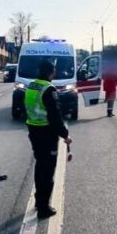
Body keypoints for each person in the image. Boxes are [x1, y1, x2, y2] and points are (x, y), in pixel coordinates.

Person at [25, 60, 72, 219]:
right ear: (51, 73)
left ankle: (39, 201)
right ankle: (44, 208)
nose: (55, 74)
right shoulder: (48, 89)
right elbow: (55, 117)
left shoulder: (31, 85)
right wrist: (65, 135)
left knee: (40, 167)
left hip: (33, 130)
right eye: (54, 71)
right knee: (48, 171)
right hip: (46, 133)